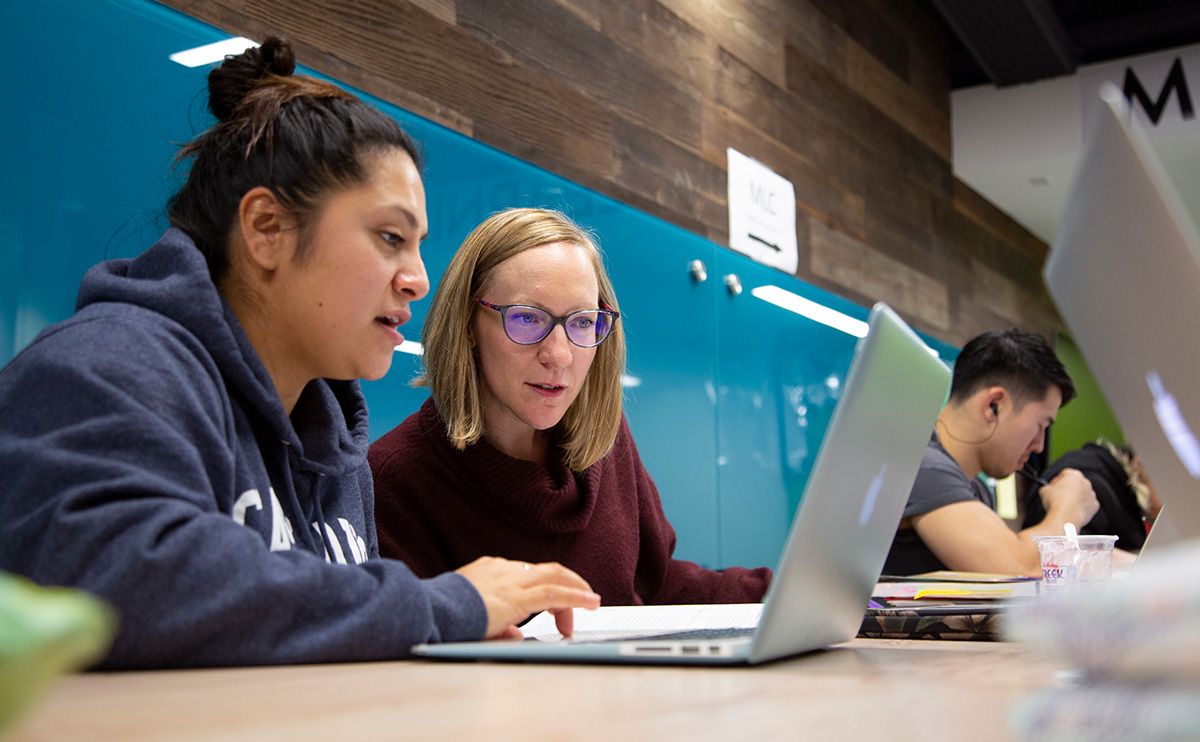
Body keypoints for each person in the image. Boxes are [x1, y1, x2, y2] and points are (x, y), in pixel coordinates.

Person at [0, 38, 599, 670]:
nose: (418, 279)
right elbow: (127, 592)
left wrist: (427, 633)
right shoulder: (99, 369)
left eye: (418, 246)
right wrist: (442, 606)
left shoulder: (336, 447)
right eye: (390, 237)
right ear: (266, 229)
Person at [370, 208, 772, 604]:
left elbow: (656, 582)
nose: (559, 356)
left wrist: (781, 594)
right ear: (468, 325)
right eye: (527, 318)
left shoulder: (605, 433)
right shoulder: (392, 478)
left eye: (582, 322)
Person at [882, 329, 1101, 577]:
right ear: (993, 405)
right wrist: (1069, 506)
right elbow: (1018, 567)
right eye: (1040, 426)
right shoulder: (923, 466)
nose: (1039, 446)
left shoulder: (975, 488)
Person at [1023, 439, 1162, 550]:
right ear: (1142, 465)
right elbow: (1069, 554)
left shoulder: (1118, 491)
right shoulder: (1094, 485)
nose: (1039, 446)